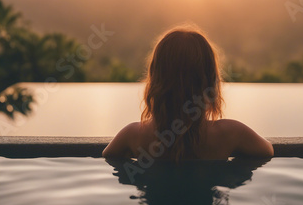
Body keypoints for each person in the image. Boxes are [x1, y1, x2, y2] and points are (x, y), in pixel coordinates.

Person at [102, 26, 273, 161]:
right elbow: (267, 151)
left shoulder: (133, 135)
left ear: (155, 81)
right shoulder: (230, 133)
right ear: (211, 82)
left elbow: (107, 157)